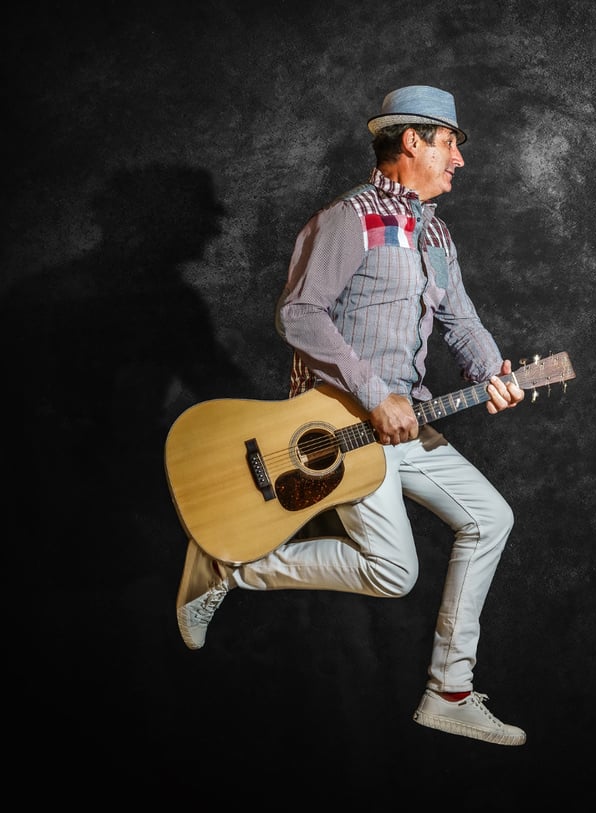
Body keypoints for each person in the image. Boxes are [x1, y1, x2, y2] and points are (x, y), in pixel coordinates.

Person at [175, 85, 527, 746]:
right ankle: (229, 564)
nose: (459, 160)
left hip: (406, 424)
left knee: (491, 518)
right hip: (339, 425)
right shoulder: (349, 218)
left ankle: (449, 691)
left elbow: (460, 318)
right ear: (411, 141)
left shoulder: (436, 232)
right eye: (450, 143)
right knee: (395, 574)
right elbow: (298, 314)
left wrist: (495, 371)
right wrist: (372, 391)